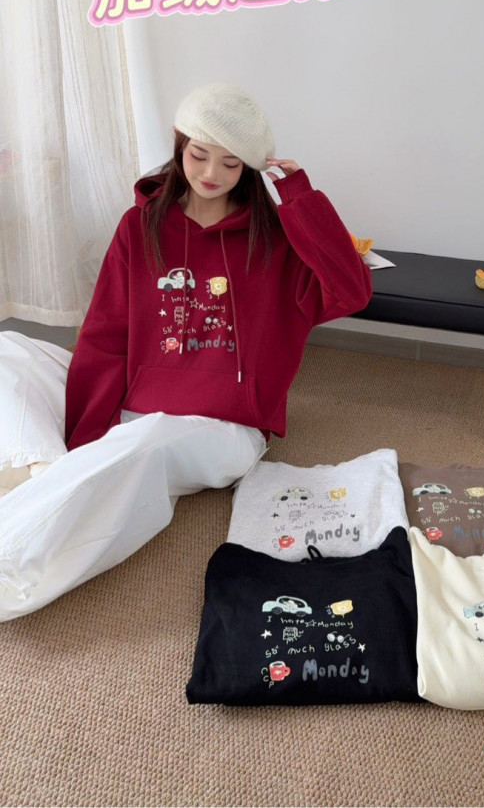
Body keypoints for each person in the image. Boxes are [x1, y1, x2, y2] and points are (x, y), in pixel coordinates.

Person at [0, 83, 372, 619]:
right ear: (179, 145)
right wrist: (87, 435)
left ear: (248, 168)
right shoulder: (140, 225)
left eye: (230, 163)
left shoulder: (278, 242)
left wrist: (299, 197)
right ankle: (53, 472)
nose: (211, 173)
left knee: (143, 442)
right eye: (199, 154)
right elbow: (107, 332)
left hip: (223, 426)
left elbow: (352, 290)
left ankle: (21, 540)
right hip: (134, 400)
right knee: (10, 351)